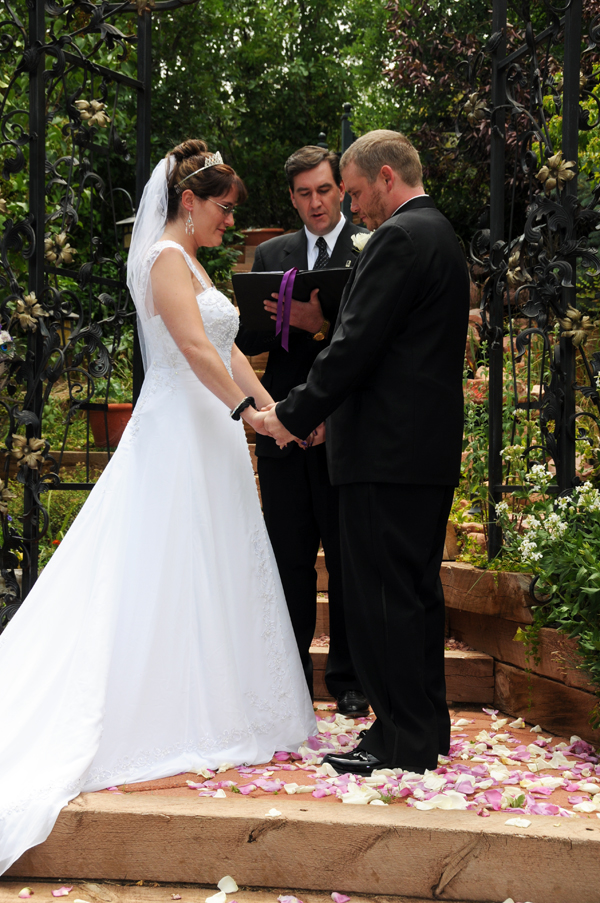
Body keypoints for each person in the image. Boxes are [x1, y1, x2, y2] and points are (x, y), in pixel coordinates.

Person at [0, 140, 315, 873]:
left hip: (215, 431)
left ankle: (230, 701)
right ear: (188, 201)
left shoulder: (197, 261)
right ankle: (169, 708)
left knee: (220, 563)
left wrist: (279, 410)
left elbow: (232, 349)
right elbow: (194, 351)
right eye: (224, 207)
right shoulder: (163, 263)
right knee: (170, 564)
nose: (231, 220)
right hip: (179, 432)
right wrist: (248, 411)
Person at [260, 130, 470, 775]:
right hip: (420, 451)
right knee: (415, 595)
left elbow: (354, 346)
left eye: (352, 192)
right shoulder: (444, 235)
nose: (353, 208)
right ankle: (424, 728)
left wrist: (291, 416)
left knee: (385, 598)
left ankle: (398, 739)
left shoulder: (401, 238)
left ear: (384, 177)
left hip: (385, 454)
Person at [236, 146, 370, 716]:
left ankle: (348, 681)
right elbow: (250, 341)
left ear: (340, 189)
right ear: (291, 197)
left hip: (344, 430)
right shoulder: (273, 253)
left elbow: (369, 338)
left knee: (345, 560)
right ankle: (290, 680)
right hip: (285, 432)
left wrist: (320, 326)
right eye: (303, 193)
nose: (315, 202)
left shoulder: (368, 248)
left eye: (324, 190)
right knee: (288, 556)